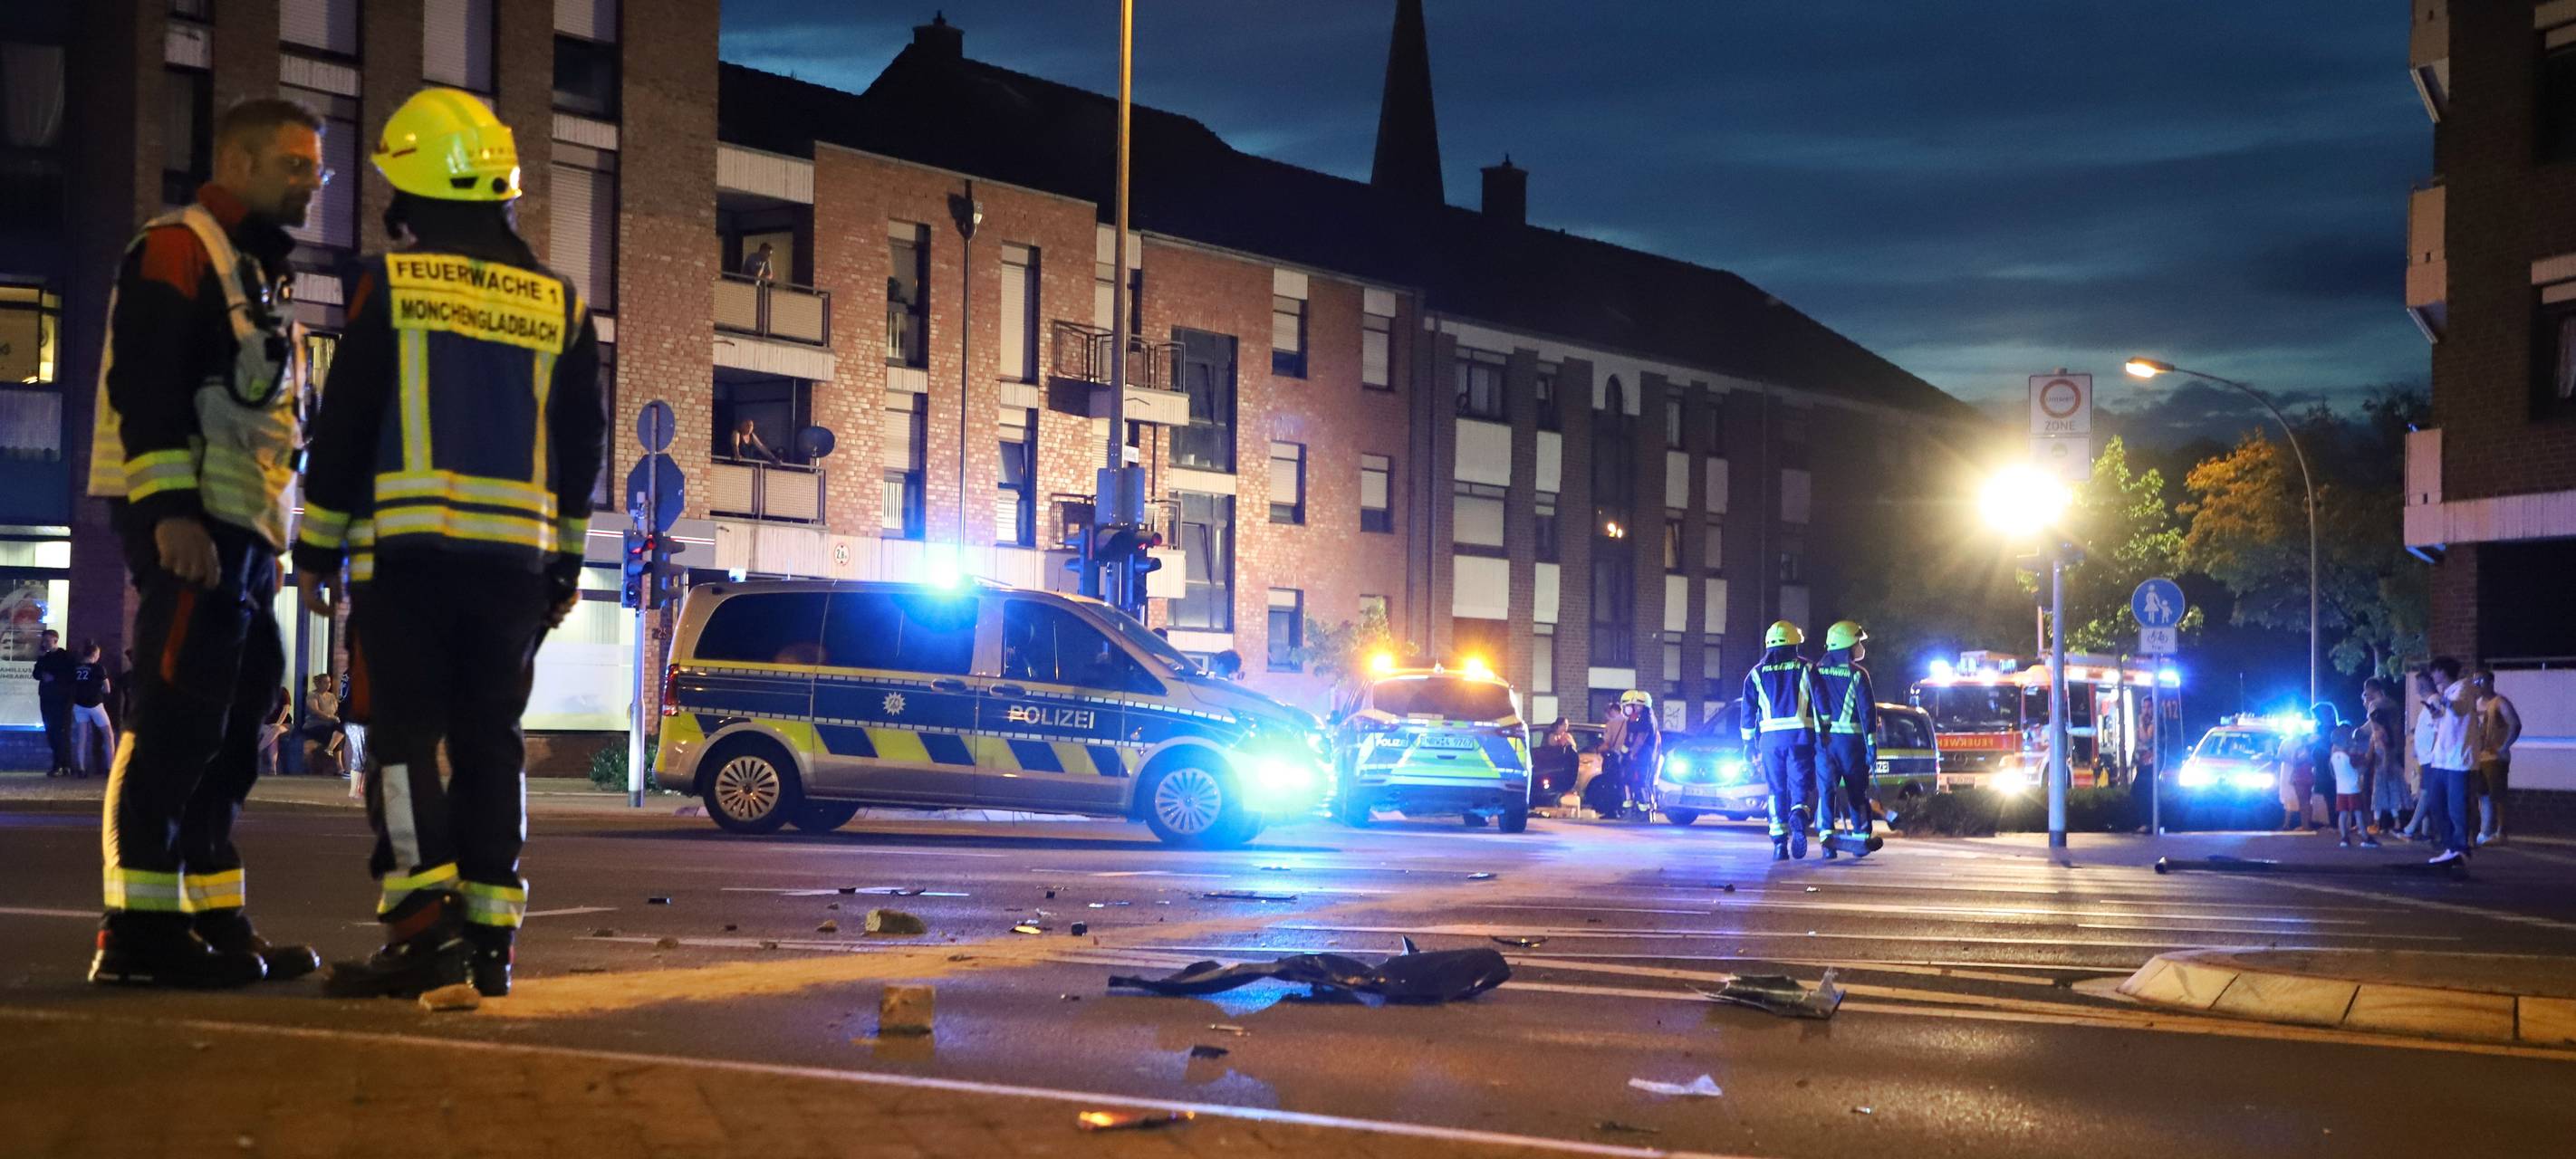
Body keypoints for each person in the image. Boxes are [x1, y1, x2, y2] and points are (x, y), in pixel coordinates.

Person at [293, 88, 603, 1000]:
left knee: (399, 739)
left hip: (409, 561)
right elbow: (583, 448)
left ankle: (420, 927)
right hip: (514, 570)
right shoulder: (561, 305)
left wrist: (314, 548)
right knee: (490, 738)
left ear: (412, 193)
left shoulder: (393, 286)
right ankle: (491, 938)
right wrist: (566, 565)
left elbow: (346, 427)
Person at [83, 97, 327, 989]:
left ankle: (211, 912)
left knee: (236, 719)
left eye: (317, 168)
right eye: (297, 166)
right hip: (191, 525)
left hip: (245, 533)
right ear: (244, 163)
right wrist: (173, 513)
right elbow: (143, 381)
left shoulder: (254, 268)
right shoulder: (180, 246)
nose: (313, 184)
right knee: (177, 716)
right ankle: (140, 929)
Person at [1741, 620, 1823, 860]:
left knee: (1776, 790)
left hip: (1770, 742)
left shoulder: (1755, 674)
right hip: (1800, 738)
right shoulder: (1807, 669)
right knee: (1801, 785)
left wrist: (1747, 744)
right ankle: (1798, 814)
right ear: (1795, 646)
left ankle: (1779, 844)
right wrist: (1824, 733)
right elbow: (1821, 704)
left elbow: (1747, 713)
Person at [1810, 620, 1877, 858]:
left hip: (1822, 742)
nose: (1859, 646)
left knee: (1826, 790)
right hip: (1851, 744)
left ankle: (1827, 841)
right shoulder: (1858, 674)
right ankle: (1860, 838)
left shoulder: (1814, 671)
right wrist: (1872, 745)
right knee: (1857, 790)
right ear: (1848, 644)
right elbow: (1868, 713)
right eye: (1857, 642)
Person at [2416, 657, 2480, 867]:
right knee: (2436, 804)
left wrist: (2445, 702)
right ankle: (2451, 847)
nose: (2432, 676)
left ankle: (2460, 847)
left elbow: (2460, 708)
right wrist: (2436, 715)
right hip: (2441, 760)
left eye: (2434, 672)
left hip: (2458, 760)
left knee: (2456, 807)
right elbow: (2447, 723)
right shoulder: (2449, 692)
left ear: (2443, 671)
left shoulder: (2464, 687)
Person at [2471, 667, 2521, 845]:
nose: (2476, 685)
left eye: (2480, 681)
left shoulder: (2499, 703)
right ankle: (2485, 831)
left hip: (2495, 757)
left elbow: (2514, 724)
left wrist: (2504, 746)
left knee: (2497, 795)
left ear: (2491, 682)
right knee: (2482, 794)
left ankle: (2501, 832)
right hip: (2480, 756)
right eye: (2474, 681)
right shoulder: (2476, 704)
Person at [1596, 691, 1661, 819]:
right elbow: (1629, 739)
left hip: (1641, 758)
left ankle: (1644, 812)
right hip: (1635, 758)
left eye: (1632, 705)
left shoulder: (1646, 718)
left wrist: (1631, 753)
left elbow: (1640, 739)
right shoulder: (1634, 719)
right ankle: (1632, 810)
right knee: (1629, 782)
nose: (1628, 708)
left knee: (1640, 783)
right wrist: (1624, 753)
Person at [67, 641, 114, 779]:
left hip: (79, 705)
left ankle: (81, 769)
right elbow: (107, 689)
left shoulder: (75, 668)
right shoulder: (99, 668)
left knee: (82, 737)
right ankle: (110, 768)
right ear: (94, 654)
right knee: (108, 736)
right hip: (96, 706)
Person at [31, 628, 73, 777]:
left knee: (63, 731)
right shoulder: (45, 657)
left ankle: (64, 764)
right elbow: (35, 674)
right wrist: (41, 659)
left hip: (62, 700)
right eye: (44, 641)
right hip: (47, 698)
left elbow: (70, 675)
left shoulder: (65, 656)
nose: (45, 644)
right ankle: (60, 763)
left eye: (48, 641)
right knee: (51, 732)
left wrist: (54, 678)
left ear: (56, 641)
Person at [2331, 724, 2376, 848]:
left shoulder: (2334, 757)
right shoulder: (2350, 756)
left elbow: (2333, 774)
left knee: (2343, 814)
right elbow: (2364, 765)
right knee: (2358, 813)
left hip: (2340, 789)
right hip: (2353, 788)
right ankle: (2365, 838)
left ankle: (2344, 838)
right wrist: (2371, 748)